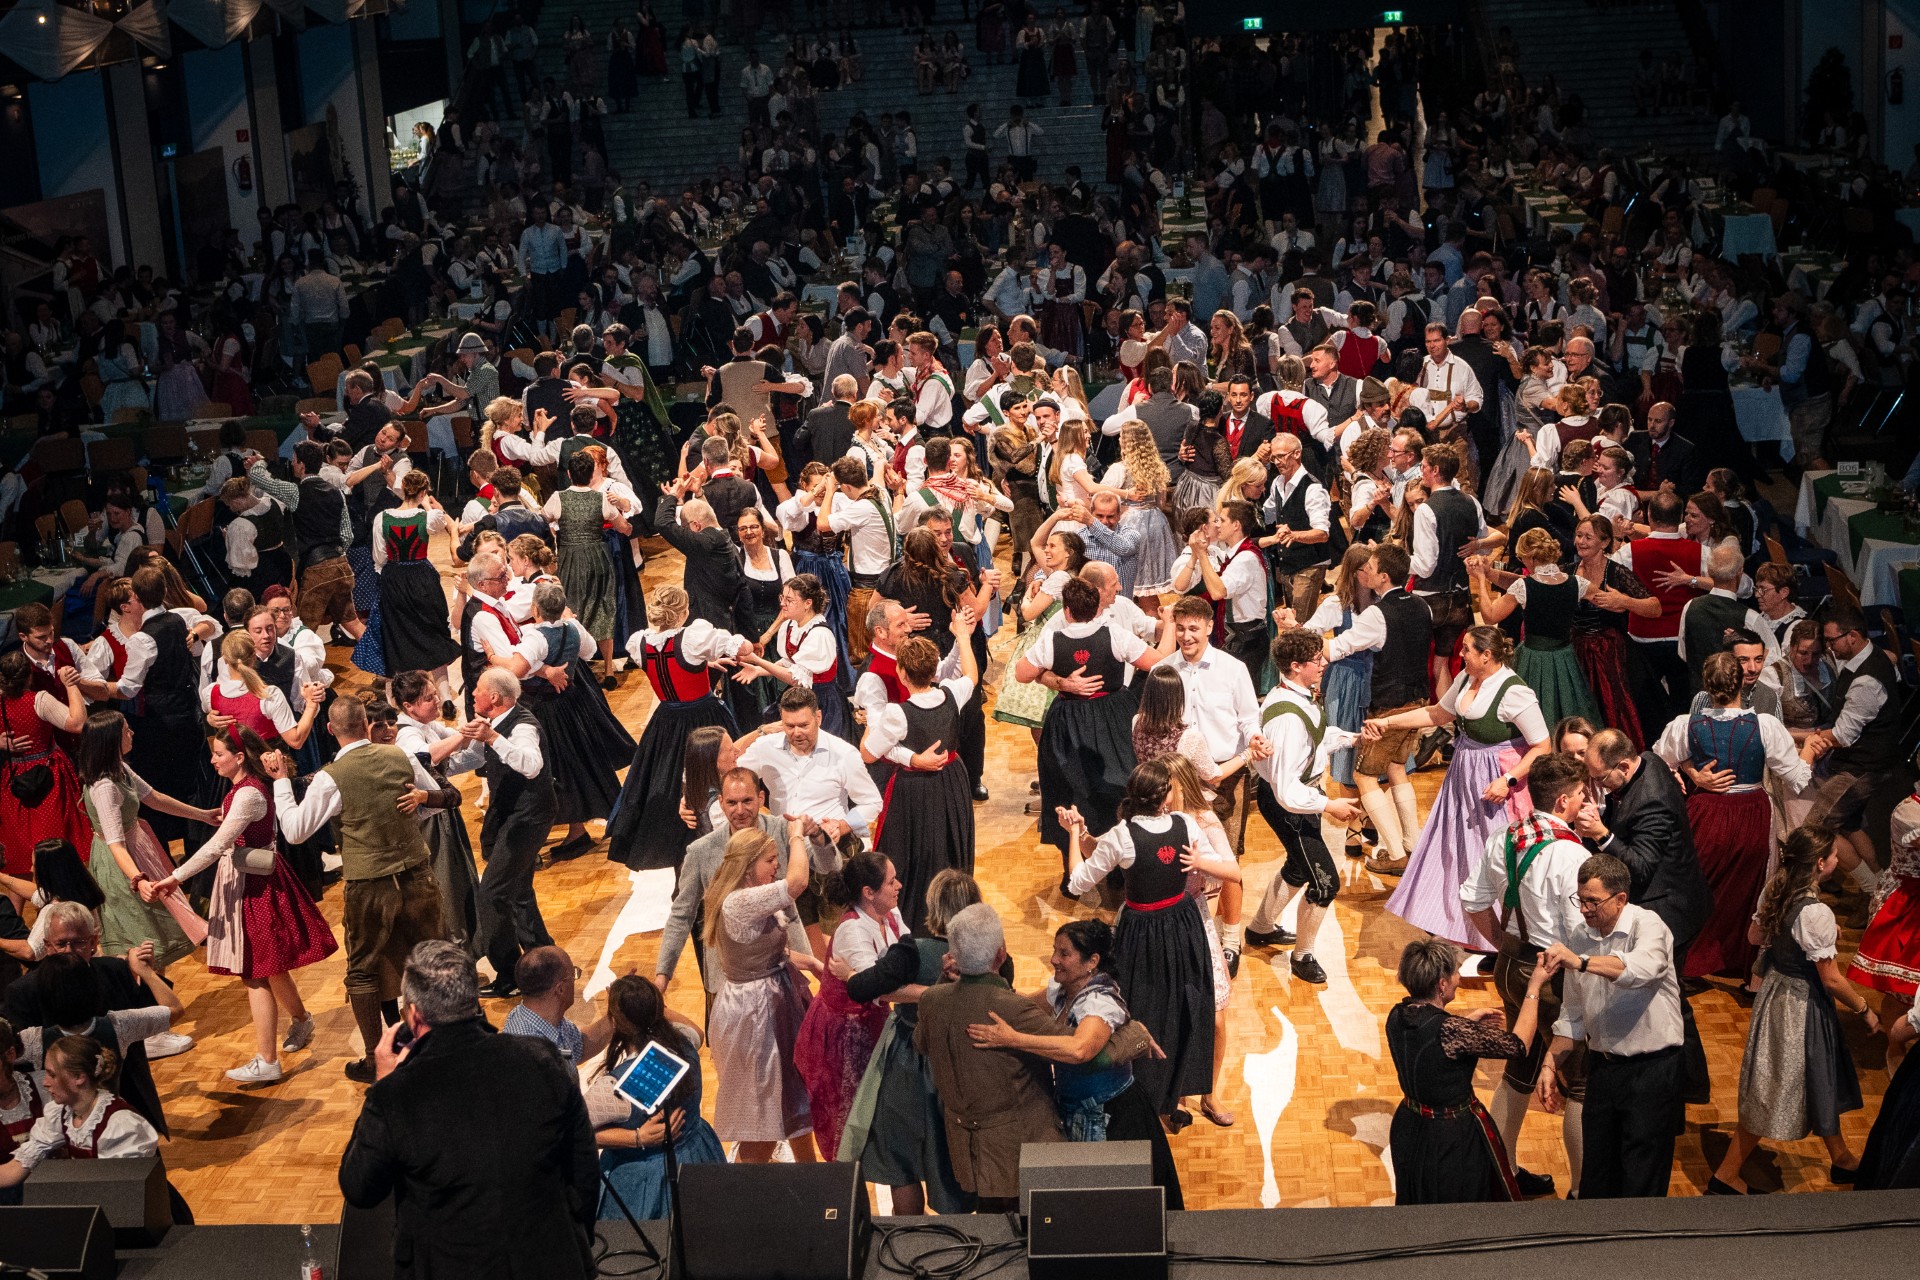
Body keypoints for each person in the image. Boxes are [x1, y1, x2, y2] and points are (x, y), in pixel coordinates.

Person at [339, 941, 599, 1279]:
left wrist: (383, 1082)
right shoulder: (541, 1058)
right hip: (552, 1261)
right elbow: (583, 1166)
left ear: (413, 1016)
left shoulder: (395, 1095)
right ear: (475, 1002)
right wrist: (578, 1240)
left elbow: (360, 1187)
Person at [143, 726, 336, 1084]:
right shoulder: (240, 792)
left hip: (255, 886)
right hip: (245, 881)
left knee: (254, 971)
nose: (213, 760)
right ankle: (302, 1020)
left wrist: (175, 877)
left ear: (239, 756)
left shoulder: (247, 795)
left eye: (219, 754)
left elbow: (217, 846)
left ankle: (267, 1060)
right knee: (269, 964)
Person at [270, 696, 445, 1083]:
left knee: (364, 972)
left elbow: (296, 832)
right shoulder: (401, 756)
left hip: (370, 886)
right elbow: (433, 801)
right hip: (418, 875)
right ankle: (443, 1048)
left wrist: (282, 784)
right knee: (431, 964)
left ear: (330, 730)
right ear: (367, 723)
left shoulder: (333, 775)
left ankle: (374, 1060)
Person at [1062, 757, 1238, 1124]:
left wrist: (1073, 835)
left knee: (1147, 1011)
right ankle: (1168, 1096)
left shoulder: (1123, 835)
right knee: (1183, 1006)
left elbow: (1076, 882)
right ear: (1166, 796)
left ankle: (1157, 1097)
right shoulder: (1185, 823)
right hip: (1182, 924)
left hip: (1144, 929)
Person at [966, 918, 1184, 1206]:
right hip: (1075, 1111)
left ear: (1091, 961)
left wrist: (1012, 1039)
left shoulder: (1100, 1002)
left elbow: (1080, 1050)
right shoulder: (1062, 989)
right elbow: (1023, 1008)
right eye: (1055, 951)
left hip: (1113, 1118)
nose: (1054, 960)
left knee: (1116, 1205)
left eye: (1064, 954)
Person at [1459, 751, 1598, 1199]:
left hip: (1511, 964)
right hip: (1555, 973)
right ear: (1562, 801)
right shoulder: (1571, 854)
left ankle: (1501, 1174)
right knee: (1578, 1083)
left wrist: (1503, 943)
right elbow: (1579, 931)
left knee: (1518, 1068)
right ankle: (1581, 1191)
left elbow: (1473, 901)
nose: (1584, 801)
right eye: (1580, 794)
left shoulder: (1503, 838)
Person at [1708, 826, 1876, 1194]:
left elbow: (1754, 938)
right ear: (1820, 864)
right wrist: (1864, 1008)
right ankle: (1726, 1174)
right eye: (1834, 855)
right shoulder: (1814, 912)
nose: (1838, 860)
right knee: (1774, 1087)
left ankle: (1841, 1158)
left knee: (1819, 1074)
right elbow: (1830, 978)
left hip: (1777, 993)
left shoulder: (1777, 887)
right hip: (1798, 1006)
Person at [1365, 626, 1550, 947]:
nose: (1460, 654)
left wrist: (1508, 781)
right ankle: (1454, 921)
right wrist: (1388, 722)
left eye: (1467, 650)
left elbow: (1542, 746)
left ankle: (1499, 936)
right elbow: (1437, 713)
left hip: (1495, 777)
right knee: (1454, 847)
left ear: (1487, 655)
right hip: (1463, 772)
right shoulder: (1467, 678)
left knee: (1488, 851)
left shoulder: (1513, 692)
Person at [1652, 652, 1816, 979]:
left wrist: (1692, 772)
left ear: (1705, 685)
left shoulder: (1687, 725)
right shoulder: (1764, 725)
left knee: (1702, 885)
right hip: (1751, 812)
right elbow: (1797, 776)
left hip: (1706, 813)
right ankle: (1739, 960)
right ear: (1740, 681)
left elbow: (1658, 761)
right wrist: (1810, 745)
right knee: (1747, 889)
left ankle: (1693, 960)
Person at [1574, 726, 1714, 1100]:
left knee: (1668, 997)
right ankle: (1687, 1084)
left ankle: (1684, 1083)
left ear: (1623, 765)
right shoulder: (1648, 760)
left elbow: (1640, 869)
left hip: (1672, 906)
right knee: (1671, 994)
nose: (1596, 784)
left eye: (1600, 778)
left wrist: (1602, 833)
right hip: (1675, 893)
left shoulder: (1651, 800)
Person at [1536, 854, 1686, 1200]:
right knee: (1597, 1176)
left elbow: (1640, 970)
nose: (1585, 909)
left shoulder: (1649, 927)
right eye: (1580, 899)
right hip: (1603, 1070)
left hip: (1651, 1072)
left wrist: (1583, 962)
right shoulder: (1580, 935)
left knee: (1641, 1179)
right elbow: (1573, 1015)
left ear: (1620, 899)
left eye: (1593, 901)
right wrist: (1549, 1062)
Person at [839, 870, 984, 1213]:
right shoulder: (989, 951)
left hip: (907, 1061)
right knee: (953, 1160)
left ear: (932, 906)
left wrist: (852, 976)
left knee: (900, 1163)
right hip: (964, 1064)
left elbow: (867, 987)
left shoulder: (911, 950)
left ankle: (906, 1243)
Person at [1016, 578, 1172, 878]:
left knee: (1067, 788)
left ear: (1068, 611)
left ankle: (1072, 867)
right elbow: (1158, 662)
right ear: (1096, 608)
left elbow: (1022, 673)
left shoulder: (1053, 638)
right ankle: (1120, 870)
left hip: (1068, 721)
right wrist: (1167, 624)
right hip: (1113, 717)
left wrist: (1057, 679)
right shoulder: (1113, 634)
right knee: (1118, 787)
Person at [915, 902, 1066, 1209]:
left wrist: (944, 981)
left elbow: (922, 1043)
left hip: (963, 1151)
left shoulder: (932, 1000)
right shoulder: (1013, 1009)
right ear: (1001, 953)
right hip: (1019, 1156)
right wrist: (1135, 1036)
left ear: (953, 956)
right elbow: (1074, 1051)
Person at [1386, 937, 1551, 1204]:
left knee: (1418, 1203)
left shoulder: (1397, 1014)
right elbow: (1518, 1046)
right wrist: (1533, 989)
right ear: (1441, 984)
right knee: (1459, 1209)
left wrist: (1465, 1025)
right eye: (1455, 973)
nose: (1459, 979)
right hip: (1450, 1136)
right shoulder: (1451, 1031)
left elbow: (1429, 1045)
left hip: (1409, 1126)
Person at [606, 585, 752, 870]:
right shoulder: (695, 636)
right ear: (684, 611)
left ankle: (676, 844)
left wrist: (705, 661)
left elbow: (672, 663)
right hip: (702, 716)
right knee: (716, 773)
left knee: (667, 781)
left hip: (666, 722)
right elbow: (742, 647)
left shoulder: (640, 642)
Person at [1246, 628, 1357, 985]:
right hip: (1290, 805)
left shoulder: (1299, 697)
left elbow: (1317, 737)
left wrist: (1350, 738)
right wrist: (1329, 805)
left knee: (1298, 866)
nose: (1324, 663)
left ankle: (1260, 929)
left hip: (1297, 800)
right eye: (1316, 660)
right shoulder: (1287, 718)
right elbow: (1286, 791)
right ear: (1295, 666)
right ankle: (1303, 956)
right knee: (1326, 884)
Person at [704, 824, 819, 1164]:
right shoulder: (740, 901)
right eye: (770, 860)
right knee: (764, 1121)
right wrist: (796, 833)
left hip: (771, 1001)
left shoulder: (751, 896)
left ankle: (809, 1179)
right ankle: (737, 1196)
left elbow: (770, 955)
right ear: (748, 863)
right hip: (753, 1015)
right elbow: (798, 882)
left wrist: (812, 963)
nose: (776, 867)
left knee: (793, 1103)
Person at [441, 669, 556, 998]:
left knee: (491, 895)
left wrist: (492, 738)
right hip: (510, 814)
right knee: (518, 891)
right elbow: (476, 757)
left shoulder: (522, 725)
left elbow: (531, 765)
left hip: (528, 816)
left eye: (477, 689)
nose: (472, 694)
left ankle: (510, 975)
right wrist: (439, 764)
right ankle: (545, 960)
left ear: (493, 698)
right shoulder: (494, 725)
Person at [865, 619, 980, 934]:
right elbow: (971, 674)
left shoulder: (896, 713)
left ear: (902, 673)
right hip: (953, 779)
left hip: (914, 790)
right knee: (951, 848)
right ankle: (953, 916)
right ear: (934, 671)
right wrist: (963, 636)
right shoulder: (952, 693)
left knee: (915, 854)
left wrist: (868, 720)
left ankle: (916, 924)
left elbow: (868, 753)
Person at [793, 851, 905, 1166]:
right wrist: (930, 994)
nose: (898, 885)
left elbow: (908, 957)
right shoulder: (853, 930)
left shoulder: (891, 915)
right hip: (842, 1038)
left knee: (875, 1118)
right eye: (890, 881)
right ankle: (844, 1205)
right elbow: (880, 987)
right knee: (846, 1134)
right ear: (868, 893)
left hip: (872, 1026)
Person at [1328, 543, 1431, 876]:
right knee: (1397, 768)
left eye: (1371, 566)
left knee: (1364, 774)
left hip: (1388, 708)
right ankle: (1413, 843)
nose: (1366, 570)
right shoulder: (1421, 605)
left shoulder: (1377, 613)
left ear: (1384, 576)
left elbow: (1340, 648)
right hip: (1418, 703)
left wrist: (1295, 633)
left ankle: (1397, 854)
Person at [585, 975, 725, 1219]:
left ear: (615, 1022)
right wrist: (652, 1004)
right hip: (697, 1156)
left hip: (645, 1182)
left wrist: (636, 1138)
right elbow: (698, 1031)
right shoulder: (685, 1041)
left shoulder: (616, 1089)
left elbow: (572, 1131)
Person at [72, 712, 205, 969]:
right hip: (121, 863)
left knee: (154, 928)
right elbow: (115, 845)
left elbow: (154, 797)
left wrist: (202, 816)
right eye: (126, 731)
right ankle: (145, 999)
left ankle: (156, 997)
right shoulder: (105, 787)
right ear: (111, 740)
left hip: (137, 849)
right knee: (141, 933)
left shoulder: (118, 769)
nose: (132, 733)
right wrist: (138, 880)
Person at [1469, 529, 1603, 729]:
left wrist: (1480, 579)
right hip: (1565, 657)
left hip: (1533, 658)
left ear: (1531, 558)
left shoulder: (1525, 587)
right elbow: (1608, 600)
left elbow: (1490, 616)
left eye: (1522, 558)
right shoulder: (1576, 583)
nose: (1522, 562)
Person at [391, 670, 482, 954]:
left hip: (444, 810)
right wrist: (464, 735)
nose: (437, 702)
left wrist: (478, 731)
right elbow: (426, 756)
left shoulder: (428, 725)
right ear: (409, 706)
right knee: (446, 886)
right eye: (429, 698)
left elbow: (457, 742)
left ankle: (472, 944)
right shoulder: (407, 734)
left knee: (461, 879)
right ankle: (454, 952)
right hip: (429, 820)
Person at [0, 1035, 161, 1190]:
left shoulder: (120, 1125)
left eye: (52, 1075)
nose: (45, 1082)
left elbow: (124, 1190)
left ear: (79, 1077)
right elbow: (14, 1170)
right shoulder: (62, 1115)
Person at [0, 649, 92, 877]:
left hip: (12, 778)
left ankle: (16, 911)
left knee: (19, 846)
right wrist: (70, 685)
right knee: (56, 839)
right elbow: (78, 723)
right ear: (29, 676)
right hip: (49, 776)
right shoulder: (39, 700)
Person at [373, 470, 463, 698]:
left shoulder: (382, 517)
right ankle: (445, 698)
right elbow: (437, 520)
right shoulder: (429, 517)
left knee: (396, 633)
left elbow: (380, 557)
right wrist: (426, 504)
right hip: (422, 577)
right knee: (433, 632)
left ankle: (396, 699)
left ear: (403, 490)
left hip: (394, 577)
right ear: (424, 492)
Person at [502, 946, 612, 1067]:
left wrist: (617, 1012)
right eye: (573, 975)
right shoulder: (529, 1056)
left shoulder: (543, 1018)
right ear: (561, 989)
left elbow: (578, 1047)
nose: (575, 982)